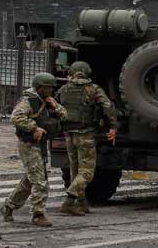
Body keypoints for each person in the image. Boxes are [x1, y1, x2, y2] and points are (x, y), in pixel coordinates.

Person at [2, 72, 66, 227]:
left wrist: (55, 105)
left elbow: (64, 115)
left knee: (30, 181)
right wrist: (34, 128)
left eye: (52, 88)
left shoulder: (46, 100)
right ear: (39, 87)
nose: (51, 91)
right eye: (48, 88)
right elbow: (16, 118)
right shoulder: (28, 100)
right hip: (29, 144)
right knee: (40, 181)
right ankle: (38, 214)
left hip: (40, 145)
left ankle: (9, 206)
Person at [55, 61, 117, 216]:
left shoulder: (64, 89)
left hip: (69, 134)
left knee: (75, 171)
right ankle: (69, 201)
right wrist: (113, 126)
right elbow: (107, 107)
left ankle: (82, 204)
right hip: (86, 134)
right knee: (87, 172)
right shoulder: (93, 89)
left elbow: (55, 106)